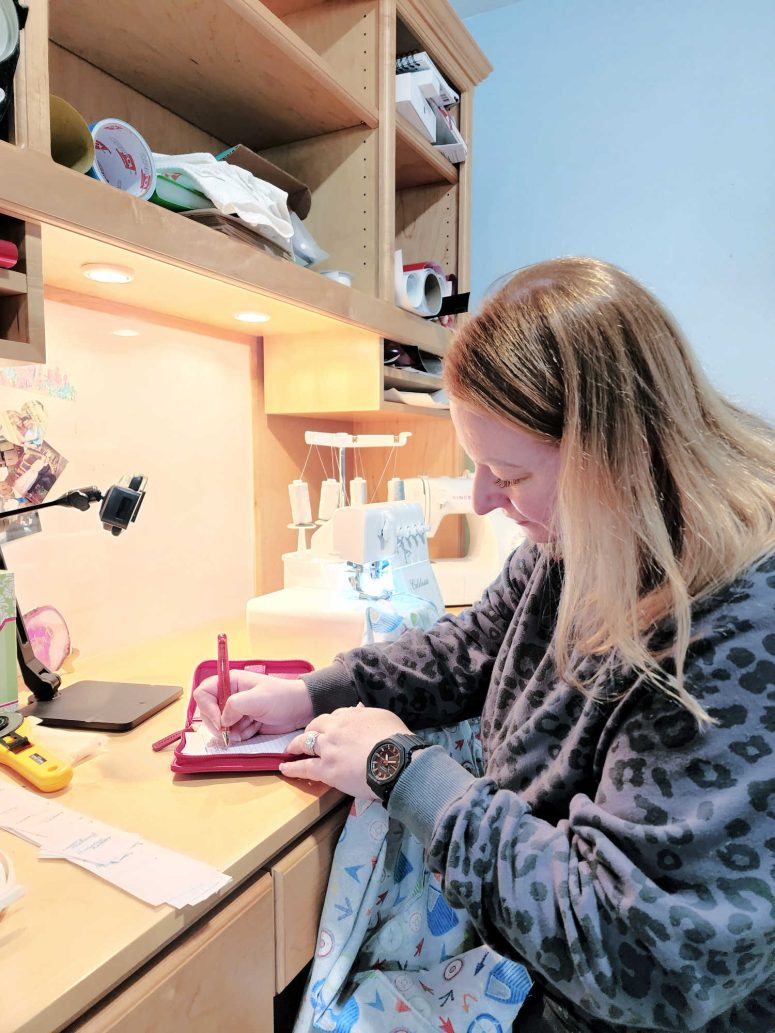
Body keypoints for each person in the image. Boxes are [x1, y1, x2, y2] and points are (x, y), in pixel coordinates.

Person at [195, 257, 775, 1032]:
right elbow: (472, 647)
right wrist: (312, 692)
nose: (479, 500)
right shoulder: (581, 541)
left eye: (506, 473)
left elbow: (637, 955)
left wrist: (406, 772)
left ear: (616, 458)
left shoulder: (737, 625)